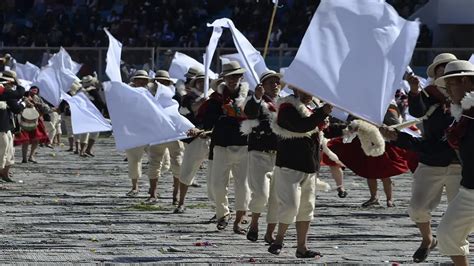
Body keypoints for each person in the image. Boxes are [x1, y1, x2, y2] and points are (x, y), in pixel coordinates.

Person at [383, 53, 461, 263]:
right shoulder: (429, 93)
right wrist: (415, 90)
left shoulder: (468, 96)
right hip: (431, 159)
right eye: (439, 68)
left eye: (447, 67)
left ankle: (459, 255)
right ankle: (428, 239)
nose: (444, 71)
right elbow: (418, 111)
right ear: (435, 73)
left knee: (459, 217)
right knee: (417, 209)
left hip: (459, 165)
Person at [268, 87, 332, 257]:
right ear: (295, 88)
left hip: (309, 166)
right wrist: (322, 112)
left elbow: (319, 129)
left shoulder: (312, 107)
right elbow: (300, 126)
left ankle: (301, 247)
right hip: (289, 165)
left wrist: (352, 128)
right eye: (302, 89)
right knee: (290, 206)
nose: (307, 93)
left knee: (306, 208)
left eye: (308, 89)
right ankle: (279, 239)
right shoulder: (287, 107)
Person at [200, 61, 251, 234]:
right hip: (221, 145)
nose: (232, 79)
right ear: (225, 78)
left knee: (243, 185)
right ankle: (223, 214)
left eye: (236, 76)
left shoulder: (250, 96)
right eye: (229, 76)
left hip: (244, 145)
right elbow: (207, 120)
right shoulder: (216, 98)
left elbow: (256, 117)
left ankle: (240, 216)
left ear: (241, 77)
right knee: (217, 185)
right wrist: (203, 128)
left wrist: (238, 113)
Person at [434, 60, 474, 266]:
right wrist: (398, 138)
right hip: (469, 190)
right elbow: (437, 148)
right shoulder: (463, 115)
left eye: (450, 85)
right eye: (445, 87)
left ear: (466, 82)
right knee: (447, 234)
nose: (447, 91)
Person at [242, 70, 281, 244]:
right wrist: (257, 97)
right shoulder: (257, 101)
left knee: (277, 197)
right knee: (261, 194)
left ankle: (270, 232)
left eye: (277, 82)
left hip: (281, 155)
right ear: (262, 86)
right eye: (270, 82)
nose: (275, 85)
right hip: (259, 152)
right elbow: (250, 112)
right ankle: (254, 223)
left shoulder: (285, 103)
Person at [174, 70, 212, 213]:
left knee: (219, 174)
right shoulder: (188, 97)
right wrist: (201, 101)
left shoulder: (216, 97)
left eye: (205, 81)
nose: (202, 84)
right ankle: (181, 202)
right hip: (196, 138)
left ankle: (221, 210)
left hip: (214, 137)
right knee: (187, 171)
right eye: (200, 81)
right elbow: (193, 109)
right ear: (195, 83)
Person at [0, 70, 31, 182]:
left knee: (7, 152)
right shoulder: (4, 92)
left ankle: (4, 174)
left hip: (5, 126)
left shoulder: (4, 92)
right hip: (1, 127)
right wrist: (23, 103)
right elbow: (19, 94)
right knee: (2, 152)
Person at [13, 85, 51, 163]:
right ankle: (24, 158)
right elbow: (18, 107)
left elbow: (46, 109)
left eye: (36, 91)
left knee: (36, 139)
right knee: (25, 139)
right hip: (25, 120)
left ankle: (31, 156)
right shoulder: (23, 97)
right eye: (33, 90)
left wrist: (38, 104)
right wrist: (26, 101)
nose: (34, 92)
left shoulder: (38, 98)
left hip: (36, 120)